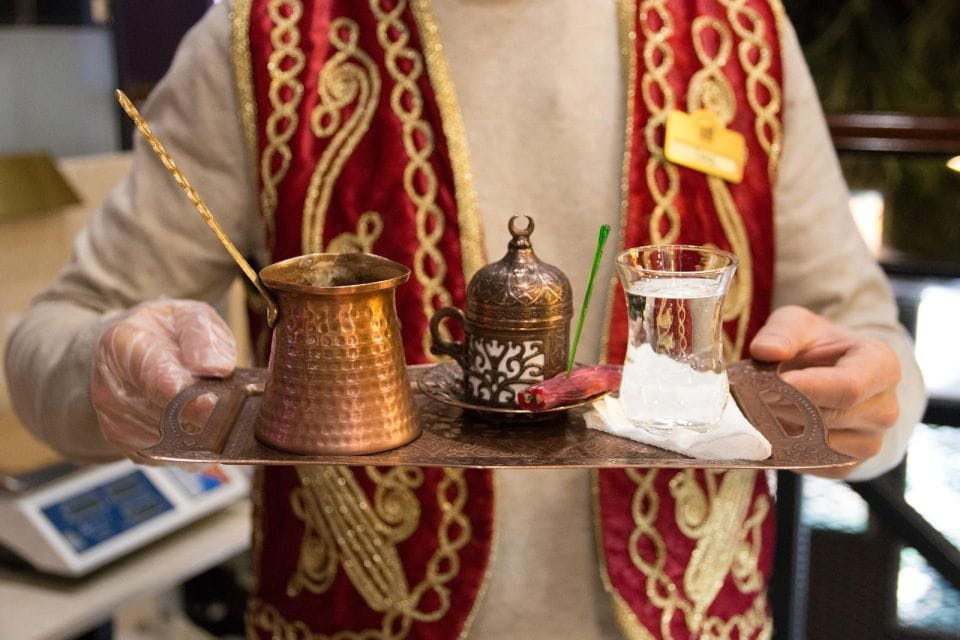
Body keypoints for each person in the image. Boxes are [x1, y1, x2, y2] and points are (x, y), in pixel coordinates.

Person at [4, 1, 924, 638]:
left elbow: (868, 343)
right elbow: (55, 337)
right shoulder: (267, 40)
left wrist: (867, 399)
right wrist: (105, 371)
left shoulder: (742, 37)